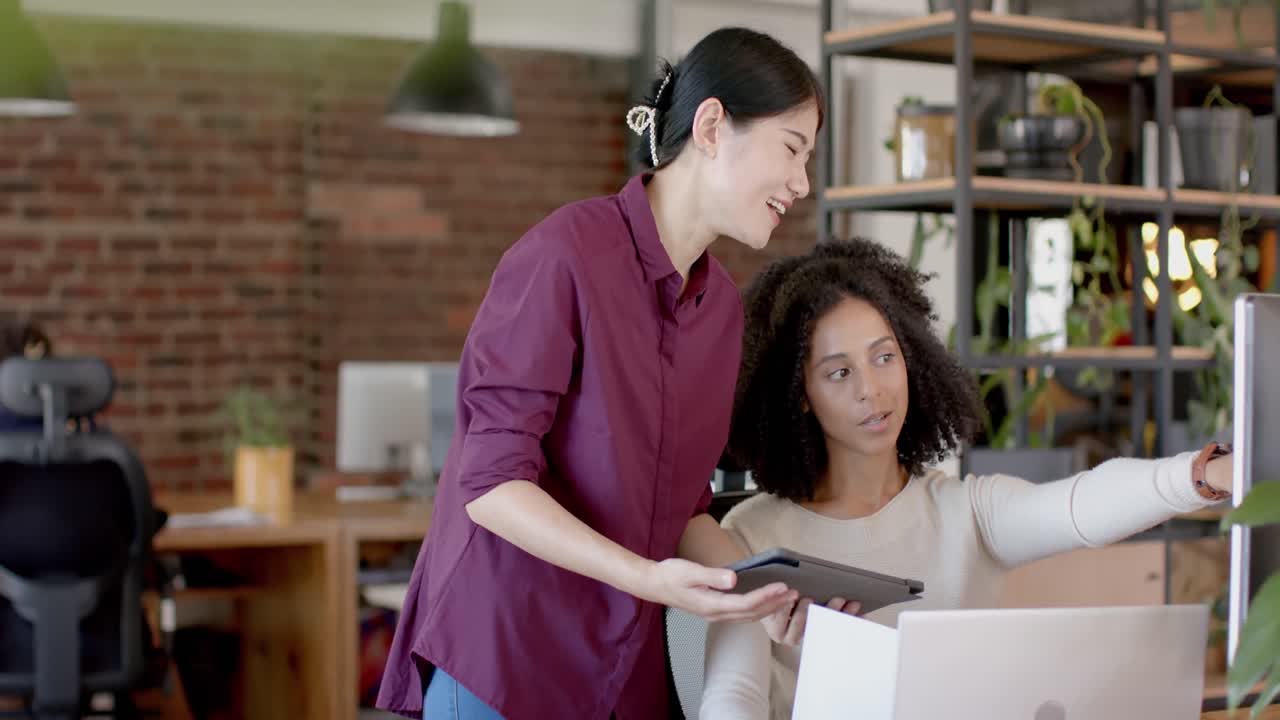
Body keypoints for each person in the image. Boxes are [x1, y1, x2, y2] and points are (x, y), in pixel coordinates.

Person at [377, 27, 824, 720]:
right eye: (792, 149)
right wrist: (650, 578)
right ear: (711, 126)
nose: (801, 183)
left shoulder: (721, 310)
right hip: (507, 659)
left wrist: (755, 585)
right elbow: (491, 485)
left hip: (616, 671)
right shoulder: (564, 257)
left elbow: (680, 509)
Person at [699, 238, 1235, 719]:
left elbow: (1079, 506)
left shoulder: (966, 513)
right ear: (799, 395)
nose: (872, 389)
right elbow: (731, 699)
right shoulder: (751, 537)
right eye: (840, 372)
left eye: (884, 357)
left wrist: (1206, 475)